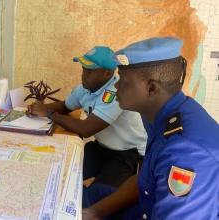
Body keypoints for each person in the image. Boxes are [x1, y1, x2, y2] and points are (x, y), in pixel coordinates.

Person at [82, 37, 219, 219]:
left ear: (152, 88)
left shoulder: (185, 152)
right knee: (90, 195)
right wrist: (94, 213)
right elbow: (147, 177)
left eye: (123, 79)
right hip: (148, 205)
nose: (115, 85)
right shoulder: (161, 114)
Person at [27, 46, 147, 188]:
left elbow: (86, 129)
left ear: (107, 73)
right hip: (102, 147)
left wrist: (48, 113)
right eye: (83, 69)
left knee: (98, 196)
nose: (84, 75)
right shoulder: (85, 88)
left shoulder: (115, 92)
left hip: (127, 154)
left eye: (89, 71)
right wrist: (38, 108)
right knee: (61, 172)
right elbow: (65, 106)